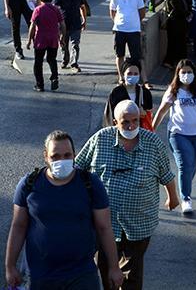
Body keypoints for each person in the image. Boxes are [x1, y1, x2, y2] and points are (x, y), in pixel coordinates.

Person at [76, 100, 179, 290]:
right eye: (125, 122)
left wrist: (173, 198)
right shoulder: (100, 139)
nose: (131, 126)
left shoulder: (153, 143)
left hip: (139, 222)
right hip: (103, 222)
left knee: (132, 274)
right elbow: (77, 168)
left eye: (135, 121)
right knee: (106, 270)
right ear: (115, 122)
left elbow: (166, 174)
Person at [5, 130, 124, 290]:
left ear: (74, 155)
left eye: (67, 155)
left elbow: (105, 228)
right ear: (46, 156)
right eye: (55, 156)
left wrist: (114, 267)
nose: (62, 160)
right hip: (40, 276)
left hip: (82, 275)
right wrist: (10, 266)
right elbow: (18, 226)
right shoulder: (28, 184)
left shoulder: (91, 184)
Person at [153, 59, 196, 214]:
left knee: (192, 166)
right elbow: (162, 111)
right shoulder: (173, 91)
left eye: (189, 72)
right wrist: (152, 130)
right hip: (178, 134)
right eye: (183, 72)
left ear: (194, 74)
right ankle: (186, 199)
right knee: (185, 165)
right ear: (178, 74)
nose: (186, 75)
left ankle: (185, 186)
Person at [110, 0, 150, 87]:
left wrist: (134, 22)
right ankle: (121, 77)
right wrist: (118, 22)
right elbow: (112, 13)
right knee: (119, 55)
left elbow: (142, 13)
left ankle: (144, 80)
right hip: (119, 30)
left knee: (137, 56)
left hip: (133, 30)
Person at [27, 0, 65, 92]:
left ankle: (40, 85)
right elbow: (62, 24)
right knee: (52, 59)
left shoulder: (38, 10)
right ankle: (54, 77)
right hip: (53, 39)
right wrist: (62, 37)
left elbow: (32, 26)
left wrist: (29, 40)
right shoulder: (56, 9)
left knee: (38, 62)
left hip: (40, 39)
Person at [103, 58, 153, 128]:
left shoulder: (145, 93)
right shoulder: (116, 93)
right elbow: (110, 116)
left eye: (136, 74)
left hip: (140, 132)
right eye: (129, 73)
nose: (133, 76)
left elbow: (149, 114)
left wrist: (143, 112)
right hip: (121, 130)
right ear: (123, 74)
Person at [54, 0, 86, 72]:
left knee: (75, 44)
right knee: (63, 43)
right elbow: (55, 9)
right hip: (64, 24)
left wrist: (84, 19)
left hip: (76, 23)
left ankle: (74, 63)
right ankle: (65, 60)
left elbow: (82, 7)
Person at [163, 0, 191, 69]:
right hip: (175, 24)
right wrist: (186, 13)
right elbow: (177, 10)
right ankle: (171, 62)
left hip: (178, 23)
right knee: (175, 43)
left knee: (177, 43)